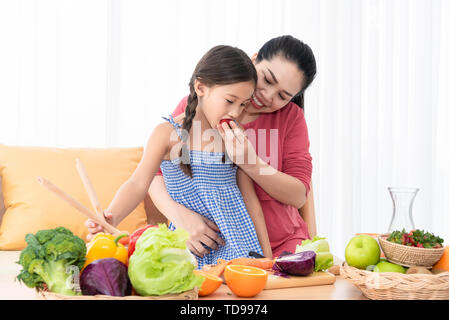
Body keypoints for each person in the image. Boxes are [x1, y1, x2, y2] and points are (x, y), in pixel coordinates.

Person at [88, 35, 317, 259]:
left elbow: (257, 202)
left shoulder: (238, 137)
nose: (266, 96)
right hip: (196, 243)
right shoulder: (177, 125)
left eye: (283, 96)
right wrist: (113, 217)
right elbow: (141, 181)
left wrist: (250, 162)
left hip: (250, 245)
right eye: (267, 80)